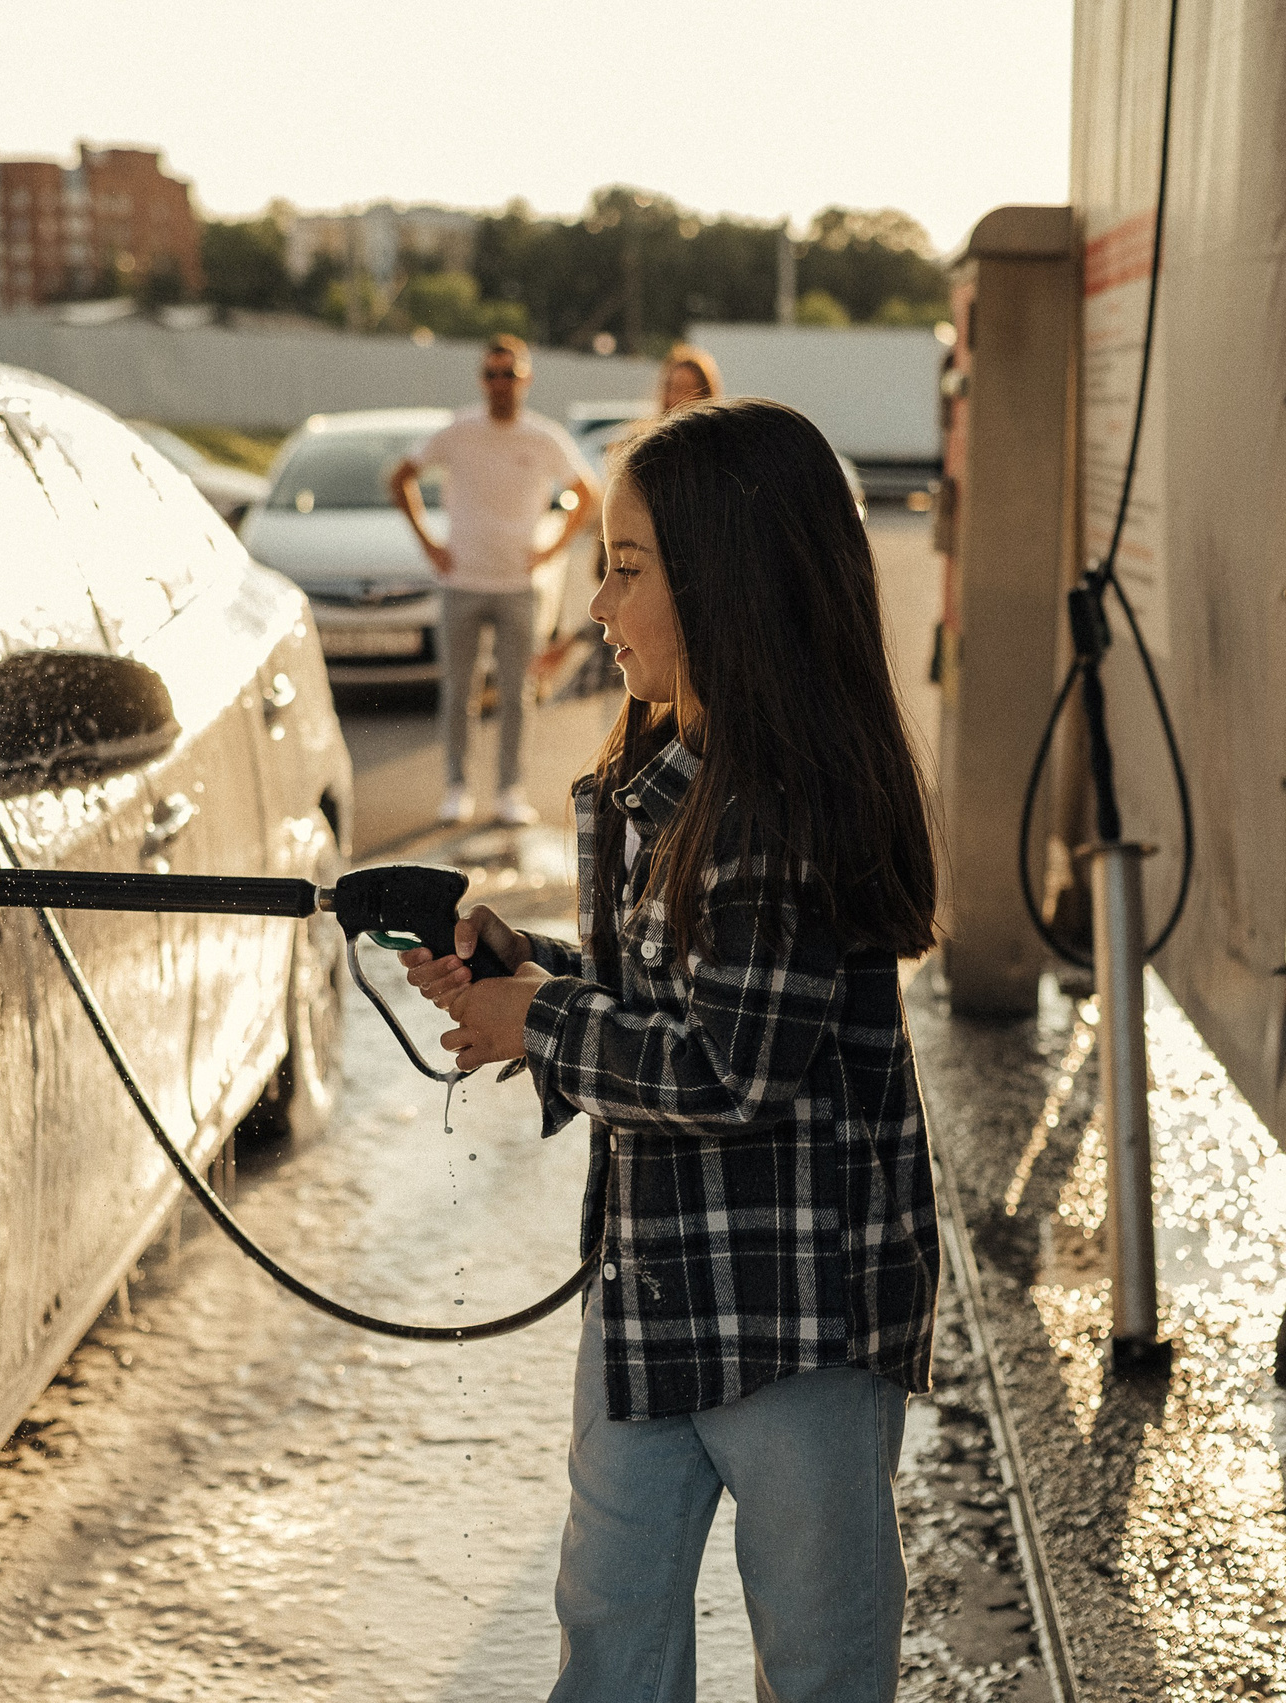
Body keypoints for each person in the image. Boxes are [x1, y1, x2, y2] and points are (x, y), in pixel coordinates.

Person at [402, 396, 942, 1701]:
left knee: (816, 1658)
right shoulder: (668, 772)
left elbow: (731, 1065)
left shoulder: (778, 804)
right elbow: (674, 993)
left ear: (732, 587)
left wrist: (537, 1017)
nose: (595, 605)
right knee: (610, 1624)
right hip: (655, 1287)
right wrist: (534, 967)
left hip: (800, 1319)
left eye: (627, 570)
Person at [390, 334, 597, 827]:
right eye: (492, 374)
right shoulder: (459, 430)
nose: (500, 384)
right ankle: (456, 787)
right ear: (482, 380)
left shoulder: (542, 437)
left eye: (509, 374)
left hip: (516, 585)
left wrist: (549, 550)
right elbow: (400, 477)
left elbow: (586, 493)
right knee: (457, 690)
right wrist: (429, 543)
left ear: (525, 379)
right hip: (462, 580)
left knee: (516, 692)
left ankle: (509, 791)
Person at [530, 343, 723, 701]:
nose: (677, 396)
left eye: (688, 387)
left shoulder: (718, 462)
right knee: (623, 713)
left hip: (686, 609)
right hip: (636, 594)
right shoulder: (645, 449)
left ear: (707, 392)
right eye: (671, 386)